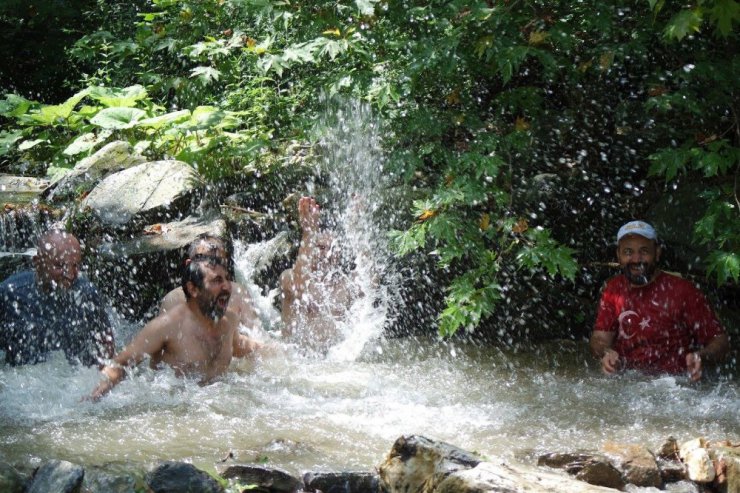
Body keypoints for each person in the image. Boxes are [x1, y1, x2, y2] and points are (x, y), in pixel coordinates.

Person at [90, 257, 261, 400]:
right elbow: (119, 365)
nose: (227, 287)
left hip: (217, 411)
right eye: (217, 280)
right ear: (193, 289)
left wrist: (277, 355)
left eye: (226, 279)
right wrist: (97, 395)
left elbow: (239, 346)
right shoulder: (167, 327)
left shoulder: (229, 321)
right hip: (173, 412)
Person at [590, 220, 729, 381]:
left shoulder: (683, 291)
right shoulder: (614, 289)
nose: (636, 259)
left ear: (657, 253)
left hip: (676, 386)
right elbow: (599, 340)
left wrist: (701, 356)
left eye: (644, 251)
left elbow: (720, 342)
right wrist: (606, 352)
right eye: (628, 252)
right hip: (627, 384)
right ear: (618, 255)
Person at [0, 229, 115, 367]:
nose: (70, 275)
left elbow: (106, 344)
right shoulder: (10, 294)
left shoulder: (86, 294)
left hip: (74, 380)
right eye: (59, 265)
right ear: (37, 262)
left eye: (75, 266)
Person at [279, 196, 360, 351]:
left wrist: (357, 229)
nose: (328, 254)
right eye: (322, 248)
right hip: (296, 362)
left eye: (333, 249)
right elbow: (299, 287)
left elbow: (372, 282)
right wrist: (309, 232)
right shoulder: (288, 276)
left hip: (332, 363)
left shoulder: (346, 284)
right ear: (310, 248)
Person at [159, 233, 263, 334]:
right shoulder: (173, 300)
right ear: (189, 265)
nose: (214, 267)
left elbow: (258, 338)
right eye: (205, 260)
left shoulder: (238, 294)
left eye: (219, 261)